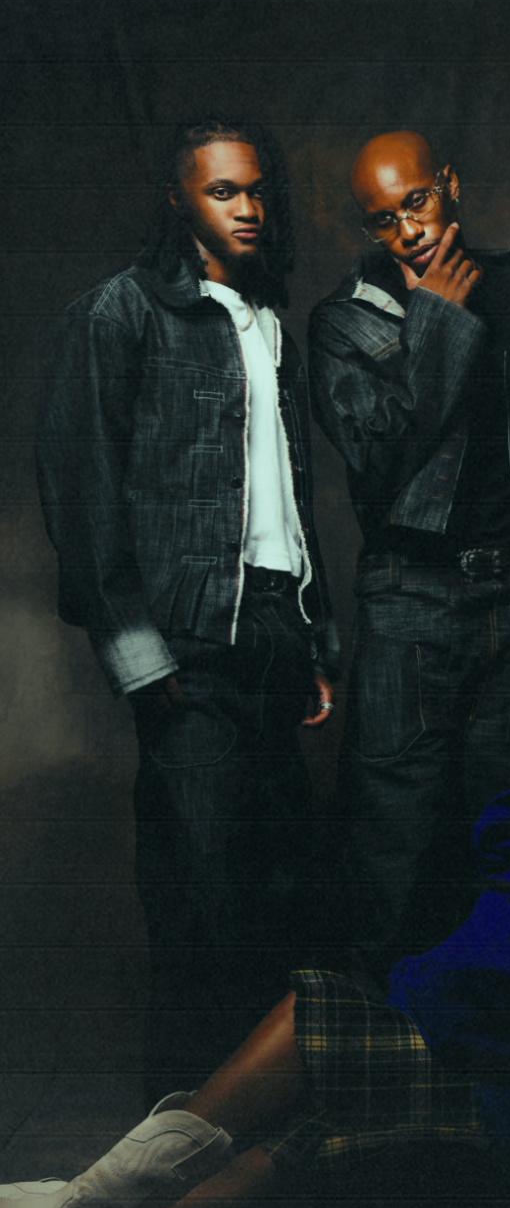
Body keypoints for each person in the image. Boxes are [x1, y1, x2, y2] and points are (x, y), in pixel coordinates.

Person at [0, 693, 510, 1208]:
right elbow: (466, 980)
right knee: (301, 1134)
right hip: (472, 1061)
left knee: (315, 1008)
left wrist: (402, 990)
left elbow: (474, 990)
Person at [36, 114, 340, 1096]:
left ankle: (249, 1132)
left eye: (256, 189)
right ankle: (177, 1137)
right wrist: (134, 649)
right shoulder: (119, 314)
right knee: (200, 897)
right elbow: (79, 484)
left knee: (283, 892)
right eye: (223, 191)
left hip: (273, 632)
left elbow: (285, 498)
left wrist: (315, 639)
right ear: (180, 200)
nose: (248, 208)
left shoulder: (269, 321)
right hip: (184, 638)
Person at [309, 130, 510, 968]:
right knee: (394, 834)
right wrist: (434, 322)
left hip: (508, 600)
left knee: (502, 821)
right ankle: (366, 1065)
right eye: (381, 220)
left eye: (416, 202)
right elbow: (378, 454)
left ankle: (470, 1047)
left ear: (449, 185)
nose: (408, 230)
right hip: (407, 600)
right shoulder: (345, 320)